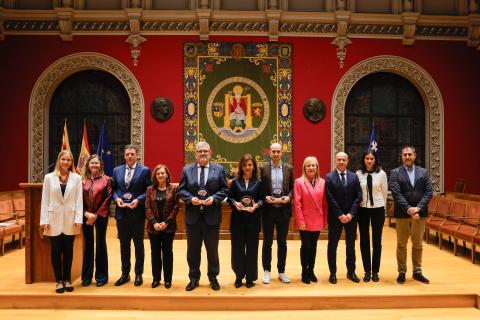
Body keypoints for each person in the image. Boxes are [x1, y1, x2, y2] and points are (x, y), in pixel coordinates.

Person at [178, 141, 228, 291]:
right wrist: (189, 199)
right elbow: (181, 190)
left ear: (210, 153)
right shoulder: (187, 170)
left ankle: (213, 278)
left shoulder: (218, 169)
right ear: (195, 154)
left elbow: (224, 190)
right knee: (193, 250)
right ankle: (194, 278)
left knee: (212, 250)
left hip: (211, 217)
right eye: (200, 151)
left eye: (205, 150)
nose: (203, 153)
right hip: (192, 217)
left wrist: (213, 199)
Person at [40, 150, 83, 293]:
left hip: (70, 219)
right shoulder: (49, 178)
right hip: (53, 219)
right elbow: (45, 200)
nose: (66, 162)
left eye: (68, 160)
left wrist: (78, 218)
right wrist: (44, 219)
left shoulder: (76, 178)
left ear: (72, 162)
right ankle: (58, 280)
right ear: (59, 160)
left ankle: (67, 279)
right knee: (56, 251)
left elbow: (78, 200)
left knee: (69, 251)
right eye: (63, 159)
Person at [389, 145, 432, 284]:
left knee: (418, 244)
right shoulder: (395, 173)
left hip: (420, 214)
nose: (407, 157)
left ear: (414, 156)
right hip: (402, 214)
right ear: (401, 157)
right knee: (401, 244)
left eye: (409, 154)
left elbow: (428, 192)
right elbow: (396, 193)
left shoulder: (423, 172)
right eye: (405, 155)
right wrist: (408, 209)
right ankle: (402, 271)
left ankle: (417, 271)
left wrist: (418, 208)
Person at [112, 144, 151, 287]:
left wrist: (138, 200)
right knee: (124, 245)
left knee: (138, 245)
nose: (129, 156)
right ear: (124, 156)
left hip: (137, 213)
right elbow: (114, 189)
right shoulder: (116, 171)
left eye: (132, 154)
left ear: (137, 155)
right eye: (127, 154)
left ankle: (139, 274)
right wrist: (116, 199)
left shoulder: (145, 170)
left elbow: (149, 190)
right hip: (121, 213)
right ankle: (125, 274)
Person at [259, 142, 293, 284]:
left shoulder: (289, 168)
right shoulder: (263, 169)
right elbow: (259, 187)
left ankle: (281, 271)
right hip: (268, 210)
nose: (276, 154)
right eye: (274, 151)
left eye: (278, 151)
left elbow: (292, 187)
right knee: (267, 242)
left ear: (282, 153)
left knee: (282, 243)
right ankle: (267, 271)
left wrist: (289, 197)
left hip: (283, 210)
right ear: (270, 153)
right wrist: (263, 197)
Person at [326, 151, 361, 284]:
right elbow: (330, 198)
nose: (341, 162)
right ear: (336, 161)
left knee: (350, 245)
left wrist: (351, 214)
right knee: (332, 245)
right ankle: (333, 273)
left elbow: (358, 196)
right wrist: (340, 214)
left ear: (347, 161)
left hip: (351, 217)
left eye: (344, 160)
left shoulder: (354, 177)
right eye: (339, 159)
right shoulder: (329, 177)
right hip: (336, 217)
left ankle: (351, 272)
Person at [228, 154, 263, 288]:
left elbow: (261, 199)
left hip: (253, 222)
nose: (247, 167)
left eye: (250, 165)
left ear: (253, 166)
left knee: (252, 250)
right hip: (238, 221)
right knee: (237, 250)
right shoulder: (235, 182)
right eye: (245, 165)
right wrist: (235, 203)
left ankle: (250, 277)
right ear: (241, 167)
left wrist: (257, 205)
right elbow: (229, 198)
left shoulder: (259, 182)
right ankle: (238, 276)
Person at [293, 156, 328, 284]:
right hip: (305, 221)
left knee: (314, 246)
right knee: (306, 246)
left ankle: (311, 270)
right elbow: (297, 203)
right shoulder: (299, 182)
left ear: (317, 167)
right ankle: (304, 271)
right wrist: (300, 221)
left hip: (318, 219)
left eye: (313, 165)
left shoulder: (323, 182)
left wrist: (325, 220)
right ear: (304, 168)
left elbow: (325, 203)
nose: (311, 167)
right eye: (308, 165)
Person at [145, 164, 179, 289]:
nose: (160, 175)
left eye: (163, 173)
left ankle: (168, 280)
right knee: (155, 254)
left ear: (167, 175)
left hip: (168, 227)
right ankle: (156, 279)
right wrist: (154, 222)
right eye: (158, 173)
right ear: (155, 175)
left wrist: (166, 222)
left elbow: (176, 207)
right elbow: (147, 207)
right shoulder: (150, 189)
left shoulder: (173, 189)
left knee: (167, 253)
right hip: (153, 228)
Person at [356, 150, 388, 283]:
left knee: (377, 241)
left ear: (375, 160)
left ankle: (375, 271)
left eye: (372, 158)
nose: (369, 161)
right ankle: (367, 271)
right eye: (367, 158)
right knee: (364, 241)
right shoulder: (358, 174)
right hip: (363, 209)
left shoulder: (381, 174)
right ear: (363, 160)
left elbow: (385, 192)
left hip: (378, 209)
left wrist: (383, 208)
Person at [81, 154, 112, 287]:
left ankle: (101, 276)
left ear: (101, 165)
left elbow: (108, 198)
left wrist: (96, 215)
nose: (94, 165)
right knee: (88, 245)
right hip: (85, 216)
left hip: (101, 217)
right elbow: (78, 198)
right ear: (88, 164)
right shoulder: (82, 180)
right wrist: (86, 213)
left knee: (100, 244)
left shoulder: (107, 180)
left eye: (96, 163)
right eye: (92, 163)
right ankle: (87, 276)